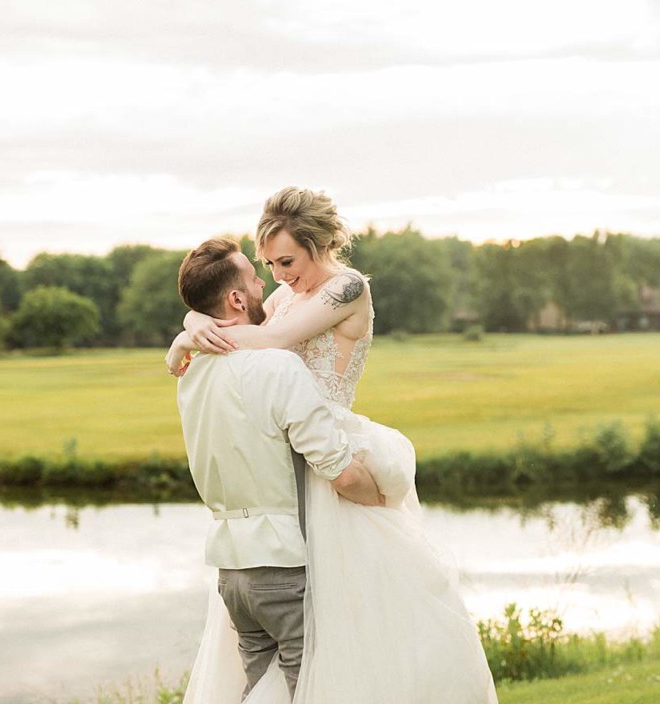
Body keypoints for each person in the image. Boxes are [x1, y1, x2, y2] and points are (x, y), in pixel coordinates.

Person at [168, 188, 498, 704]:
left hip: (329, 447)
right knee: (291, 633)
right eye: (270, 264)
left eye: (287, 260)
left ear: (318, 243)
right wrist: (192, 322)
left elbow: (272, 343)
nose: (277, 274)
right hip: (288, 460)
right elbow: (242, 322)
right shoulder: (283, 297)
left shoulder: (347, 288)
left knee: (348, 625)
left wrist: (196, 332)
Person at [174, 236, 385, 701]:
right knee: (312, 689)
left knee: (260, 691)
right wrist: (384, 502)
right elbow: (342, 471)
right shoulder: (278, 366)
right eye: (256, 276)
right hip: (283, 562)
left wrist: (189, 326)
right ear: (235, 299)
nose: (268, 283)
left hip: (230, 568)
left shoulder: (191, 372)